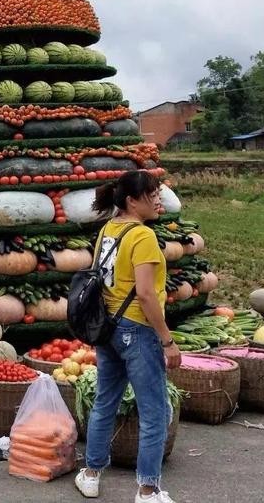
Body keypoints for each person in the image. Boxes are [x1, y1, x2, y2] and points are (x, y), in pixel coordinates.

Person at [75, 170, 181, 503]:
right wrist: (168, 340)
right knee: (154, 412)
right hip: (138, 330)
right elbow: (147, 295)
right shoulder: (143, 236)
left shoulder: (108, 228)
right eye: (151, 194)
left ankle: (91, 474)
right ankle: (147, 490)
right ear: (132, 201)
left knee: (106, 401)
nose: (157, 199)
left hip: (108, 329)